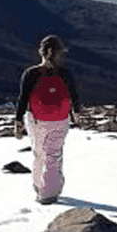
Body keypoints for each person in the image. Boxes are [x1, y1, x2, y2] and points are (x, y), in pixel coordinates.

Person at [13, 34, 81, 204]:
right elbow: (74, 96)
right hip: (60, 119)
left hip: (37, 119)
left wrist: (18, 122)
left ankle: (39, 187)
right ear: (59, 53)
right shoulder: (65, 73)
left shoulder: (31, 73)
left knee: (39, 153)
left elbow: (23, 99)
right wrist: (76, 115)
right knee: (53, 155)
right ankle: (50, 191)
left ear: (41, 52)